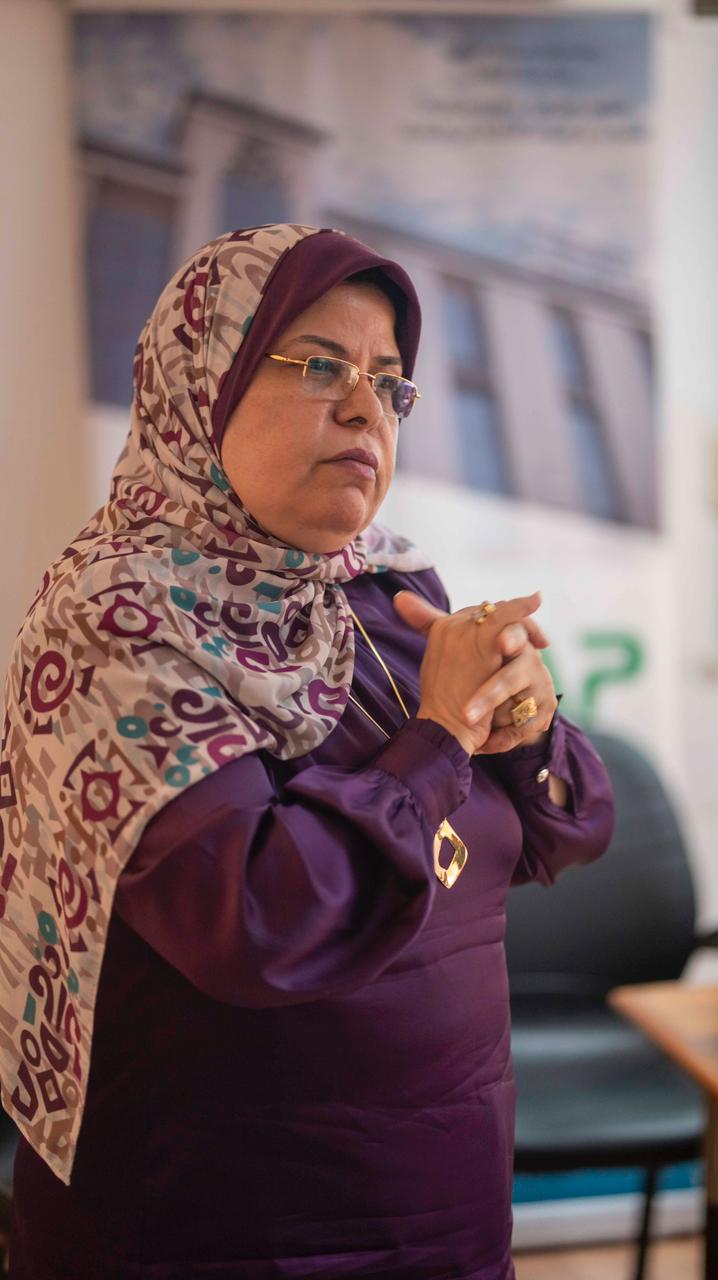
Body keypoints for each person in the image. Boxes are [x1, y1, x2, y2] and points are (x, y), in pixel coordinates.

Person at [0, 223, 614, 1279]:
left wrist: (528, 728)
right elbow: (259, 918)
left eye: (389, 382)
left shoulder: (386, 587)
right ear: (204, 385)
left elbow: (566, 831)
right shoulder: (117, 617)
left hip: (447, 1209)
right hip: (215, 1229)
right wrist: (439, 737)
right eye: (320, 365)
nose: (366, 408)